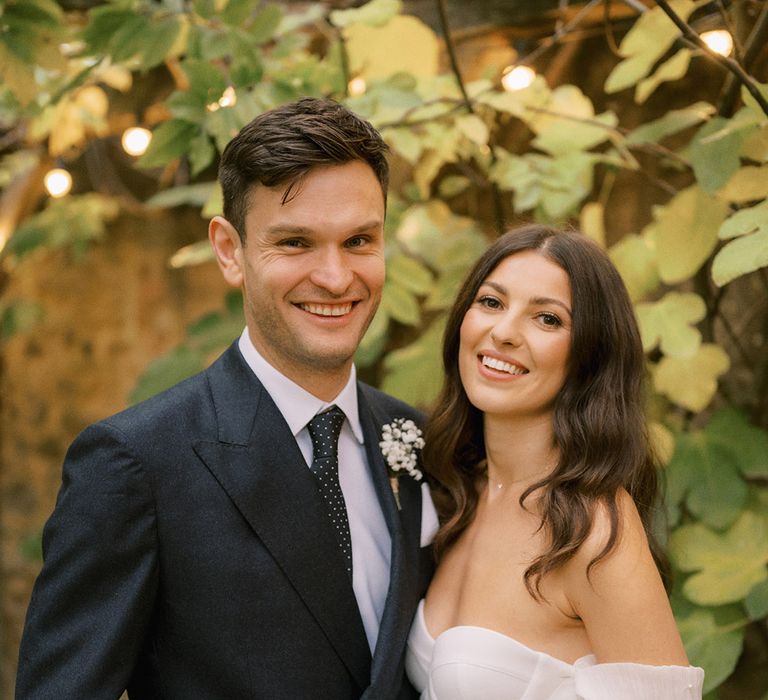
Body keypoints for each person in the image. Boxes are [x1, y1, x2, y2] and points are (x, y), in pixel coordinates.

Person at [16, 97, 437, 700]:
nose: (337, 277)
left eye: (359, 240)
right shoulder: (134, 464)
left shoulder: (418, 440)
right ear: (229, 250)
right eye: (294, 243)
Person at [405, 225, 704, 699]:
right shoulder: (458, 490)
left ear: (591, 356)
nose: (502, 332)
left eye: (546, 319)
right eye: (491, 302)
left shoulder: (593, 527)